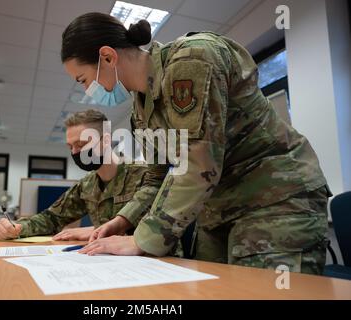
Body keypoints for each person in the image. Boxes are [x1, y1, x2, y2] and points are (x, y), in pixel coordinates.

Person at [61, 12, 331, 275]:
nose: (88, 91)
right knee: (206, 290)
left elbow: (198, 164)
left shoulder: (191, 60)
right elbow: (155, 178)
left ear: (107, 57)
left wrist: (142, 240)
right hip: (218, 207)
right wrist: (123, 221)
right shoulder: (140, 109)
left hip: (274, 197)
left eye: (83, 80)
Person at [0, 109, 160, 244]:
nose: (75, 152)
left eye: (81, 145)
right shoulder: (87, 185)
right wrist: (17, 228)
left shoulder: (146, 175)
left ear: (106, 140)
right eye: (70, 147)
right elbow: (51, 218)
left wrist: (95, 231)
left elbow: (157, 230)